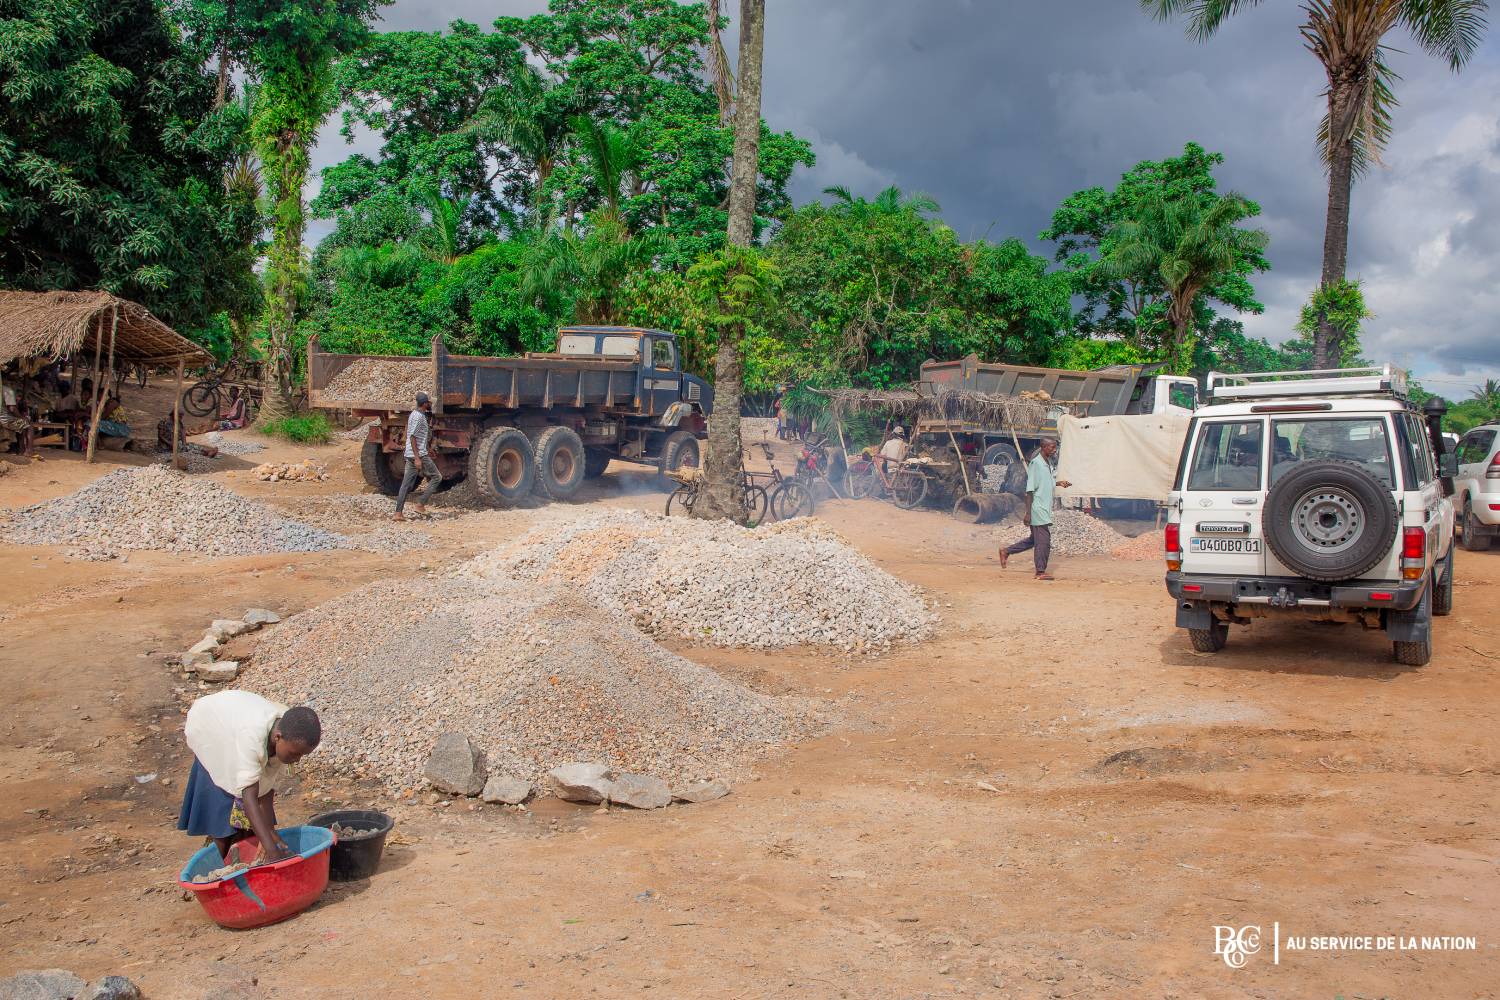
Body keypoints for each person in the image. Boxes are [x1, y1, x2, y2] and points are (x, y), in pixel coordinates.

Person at [178, 691, 321, 863]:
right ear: (277, 737)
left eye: (302, 756)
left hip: (236, 723)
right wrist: (273, 854)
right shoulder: (252, 737)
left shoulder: (289, 732)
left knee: (256, 825)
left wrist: (271, 833)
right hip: (212, 727)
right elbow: (250, 799)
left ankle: (243, 852)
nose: (297, 760)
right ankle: (220, 861)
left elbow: (266, 789)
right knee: (223, 808)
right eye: (295, 754)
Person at [998, 438, 1072, 580]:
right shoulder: (1036, 464)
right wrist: (1028, 513)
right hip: (1037, 508)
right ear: (1043, 447)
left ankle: (1006, 551)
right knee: (1044, 541)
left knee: (1034, 540)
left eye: (1055, 447)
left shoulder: (1047, 463)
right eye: (1052, 447)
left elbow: (1044, 482)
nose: (1054, 450)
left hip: (1044, 508)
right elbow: (1030, 491)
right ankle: (1040, 571)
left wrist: (1059, 483)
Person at [394, 390, 441, 520]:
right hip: (419, 455)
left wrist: (427, 448)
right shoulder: (419, 417)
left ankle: (398, 513)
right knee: (437, 477)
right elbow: (413, 436)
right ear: (425, 404)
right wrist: (417, 457)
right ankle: (420, 504)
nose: (430, 404)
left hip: (412, 453)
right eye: (429, 402)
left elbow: (419, 437)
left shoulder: (414, 414)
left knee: (405, 484)